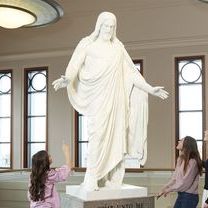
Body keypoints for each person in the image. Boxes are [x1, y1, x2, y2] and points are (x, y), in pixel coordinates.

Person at [52, 11, 168, 191]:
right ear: (99, 26)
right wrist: (67, 79)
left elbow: (131, 73)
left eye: (112, 26)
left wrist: (149, 88)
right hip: (97, 99)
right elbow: (74, 65)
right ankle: (92, 176)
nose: (109, 29)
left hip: (116, 102)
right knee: (97, 136)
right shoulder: (87, 44)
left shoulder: (117, 48)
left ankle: (112, 177)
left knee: (117, 138)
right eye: (106, 25)